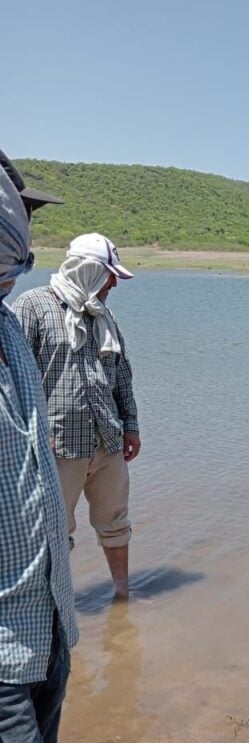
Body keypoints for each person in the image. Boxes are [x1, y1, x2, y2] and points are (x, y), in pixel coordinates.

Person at [0, 161, 111, 743]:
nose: (27, 237)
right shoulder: (34, 311)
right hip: (4, 630)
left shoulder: (7, 322)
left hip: (41, 606)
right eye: (21, 217)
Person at [13, 233, 140, 599]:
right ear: (87, 270)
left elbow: (122, 377)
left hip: (107, 442)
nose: (114, 283)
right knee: (53, 530)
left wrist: (130, 426)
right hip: (57, 446)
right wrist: (30, 437)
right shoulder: (33, 307)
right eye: (109, 274)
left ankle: (122, 595)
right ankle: (55, 603)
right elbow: (13, 381)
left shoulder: (104, 315)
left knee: (116, 524)